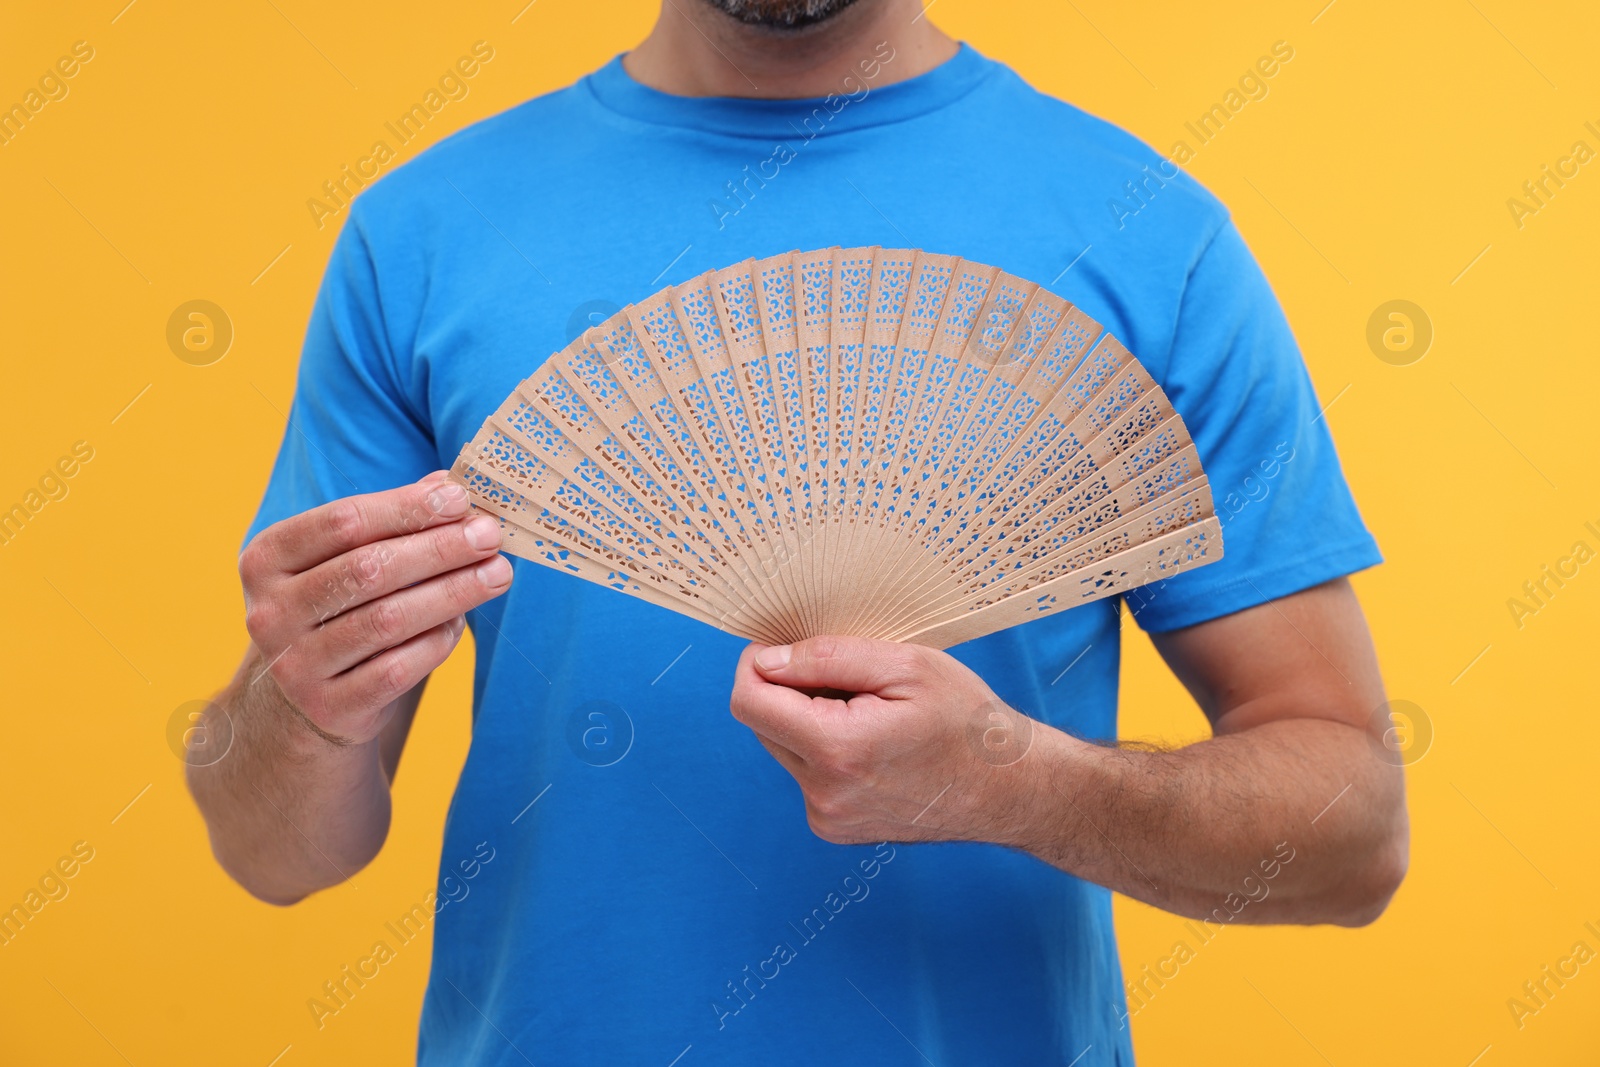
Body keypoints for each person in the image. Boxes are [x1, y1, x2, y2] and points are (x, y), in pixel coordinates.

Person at [187, 1, 1408, 1063]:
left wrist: (1010, 777)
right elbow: (277, 853)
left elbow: (1350, 833)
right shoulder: (419, 235)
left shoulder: (1150, 238)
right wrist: (296, 705)